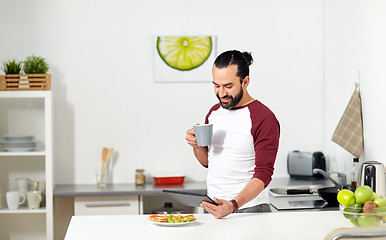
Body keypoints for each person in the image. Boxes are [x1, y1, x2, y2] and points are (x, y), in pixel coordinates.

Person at [185, 50, 280, 219]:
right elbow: (208, 162)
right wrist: (197, 144)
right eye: (216, 85)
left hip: (250, 210)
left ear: (245, 82)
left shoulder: (263, 118)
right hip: (214, 208)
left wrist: (233, 205)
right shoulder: (214, 113)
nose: (221, 93)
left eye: (228, 86)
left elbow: (264, 174)